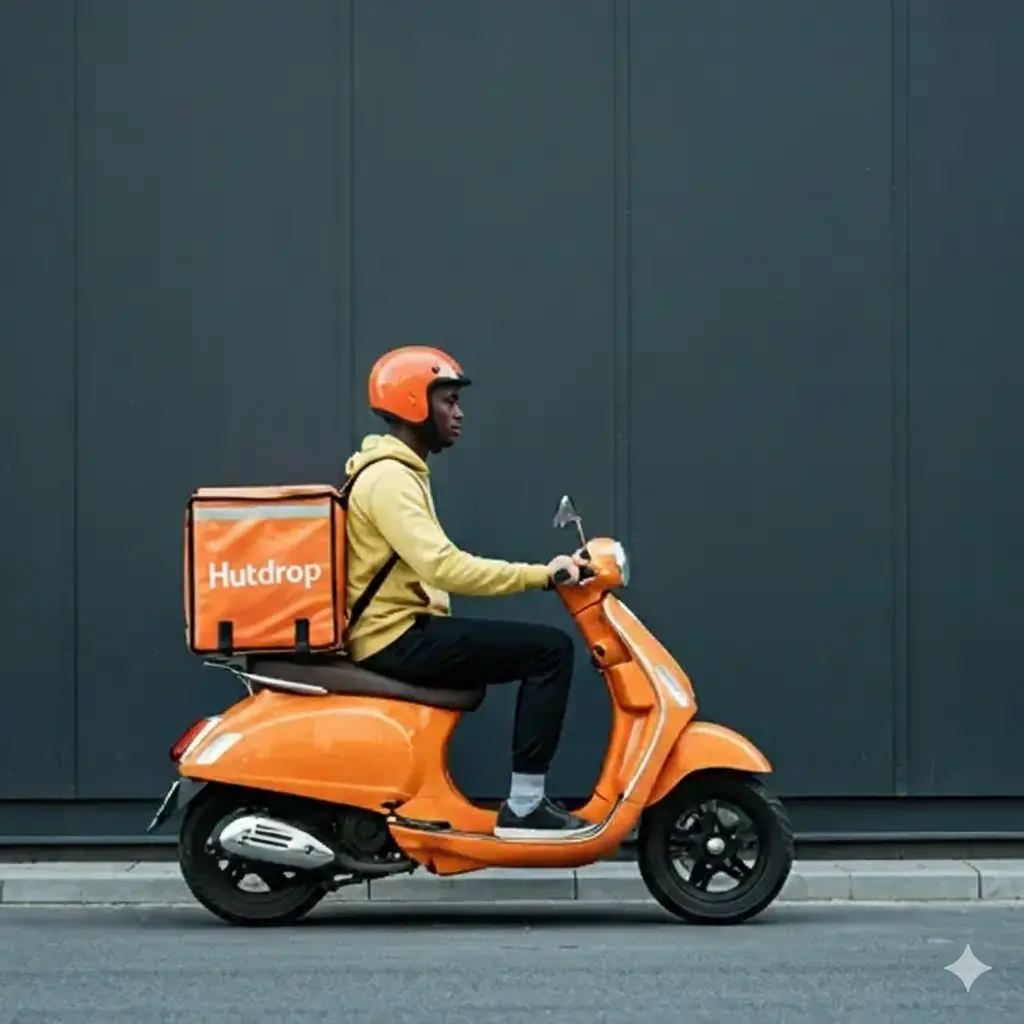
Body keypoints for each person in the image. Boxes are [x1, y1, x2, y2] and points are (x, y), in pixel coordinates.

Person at [341, 345, 592, 838]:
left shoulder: (398, 471)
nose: (459, 413)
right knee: (550, 650)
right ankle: (524, 805)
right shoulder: (390, 478)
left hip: (401, 630)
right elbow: (443, 565)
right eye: (449, 401)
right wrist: (543, 574)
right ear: (415, 403)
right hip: (395, 638)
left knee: (536, 648)